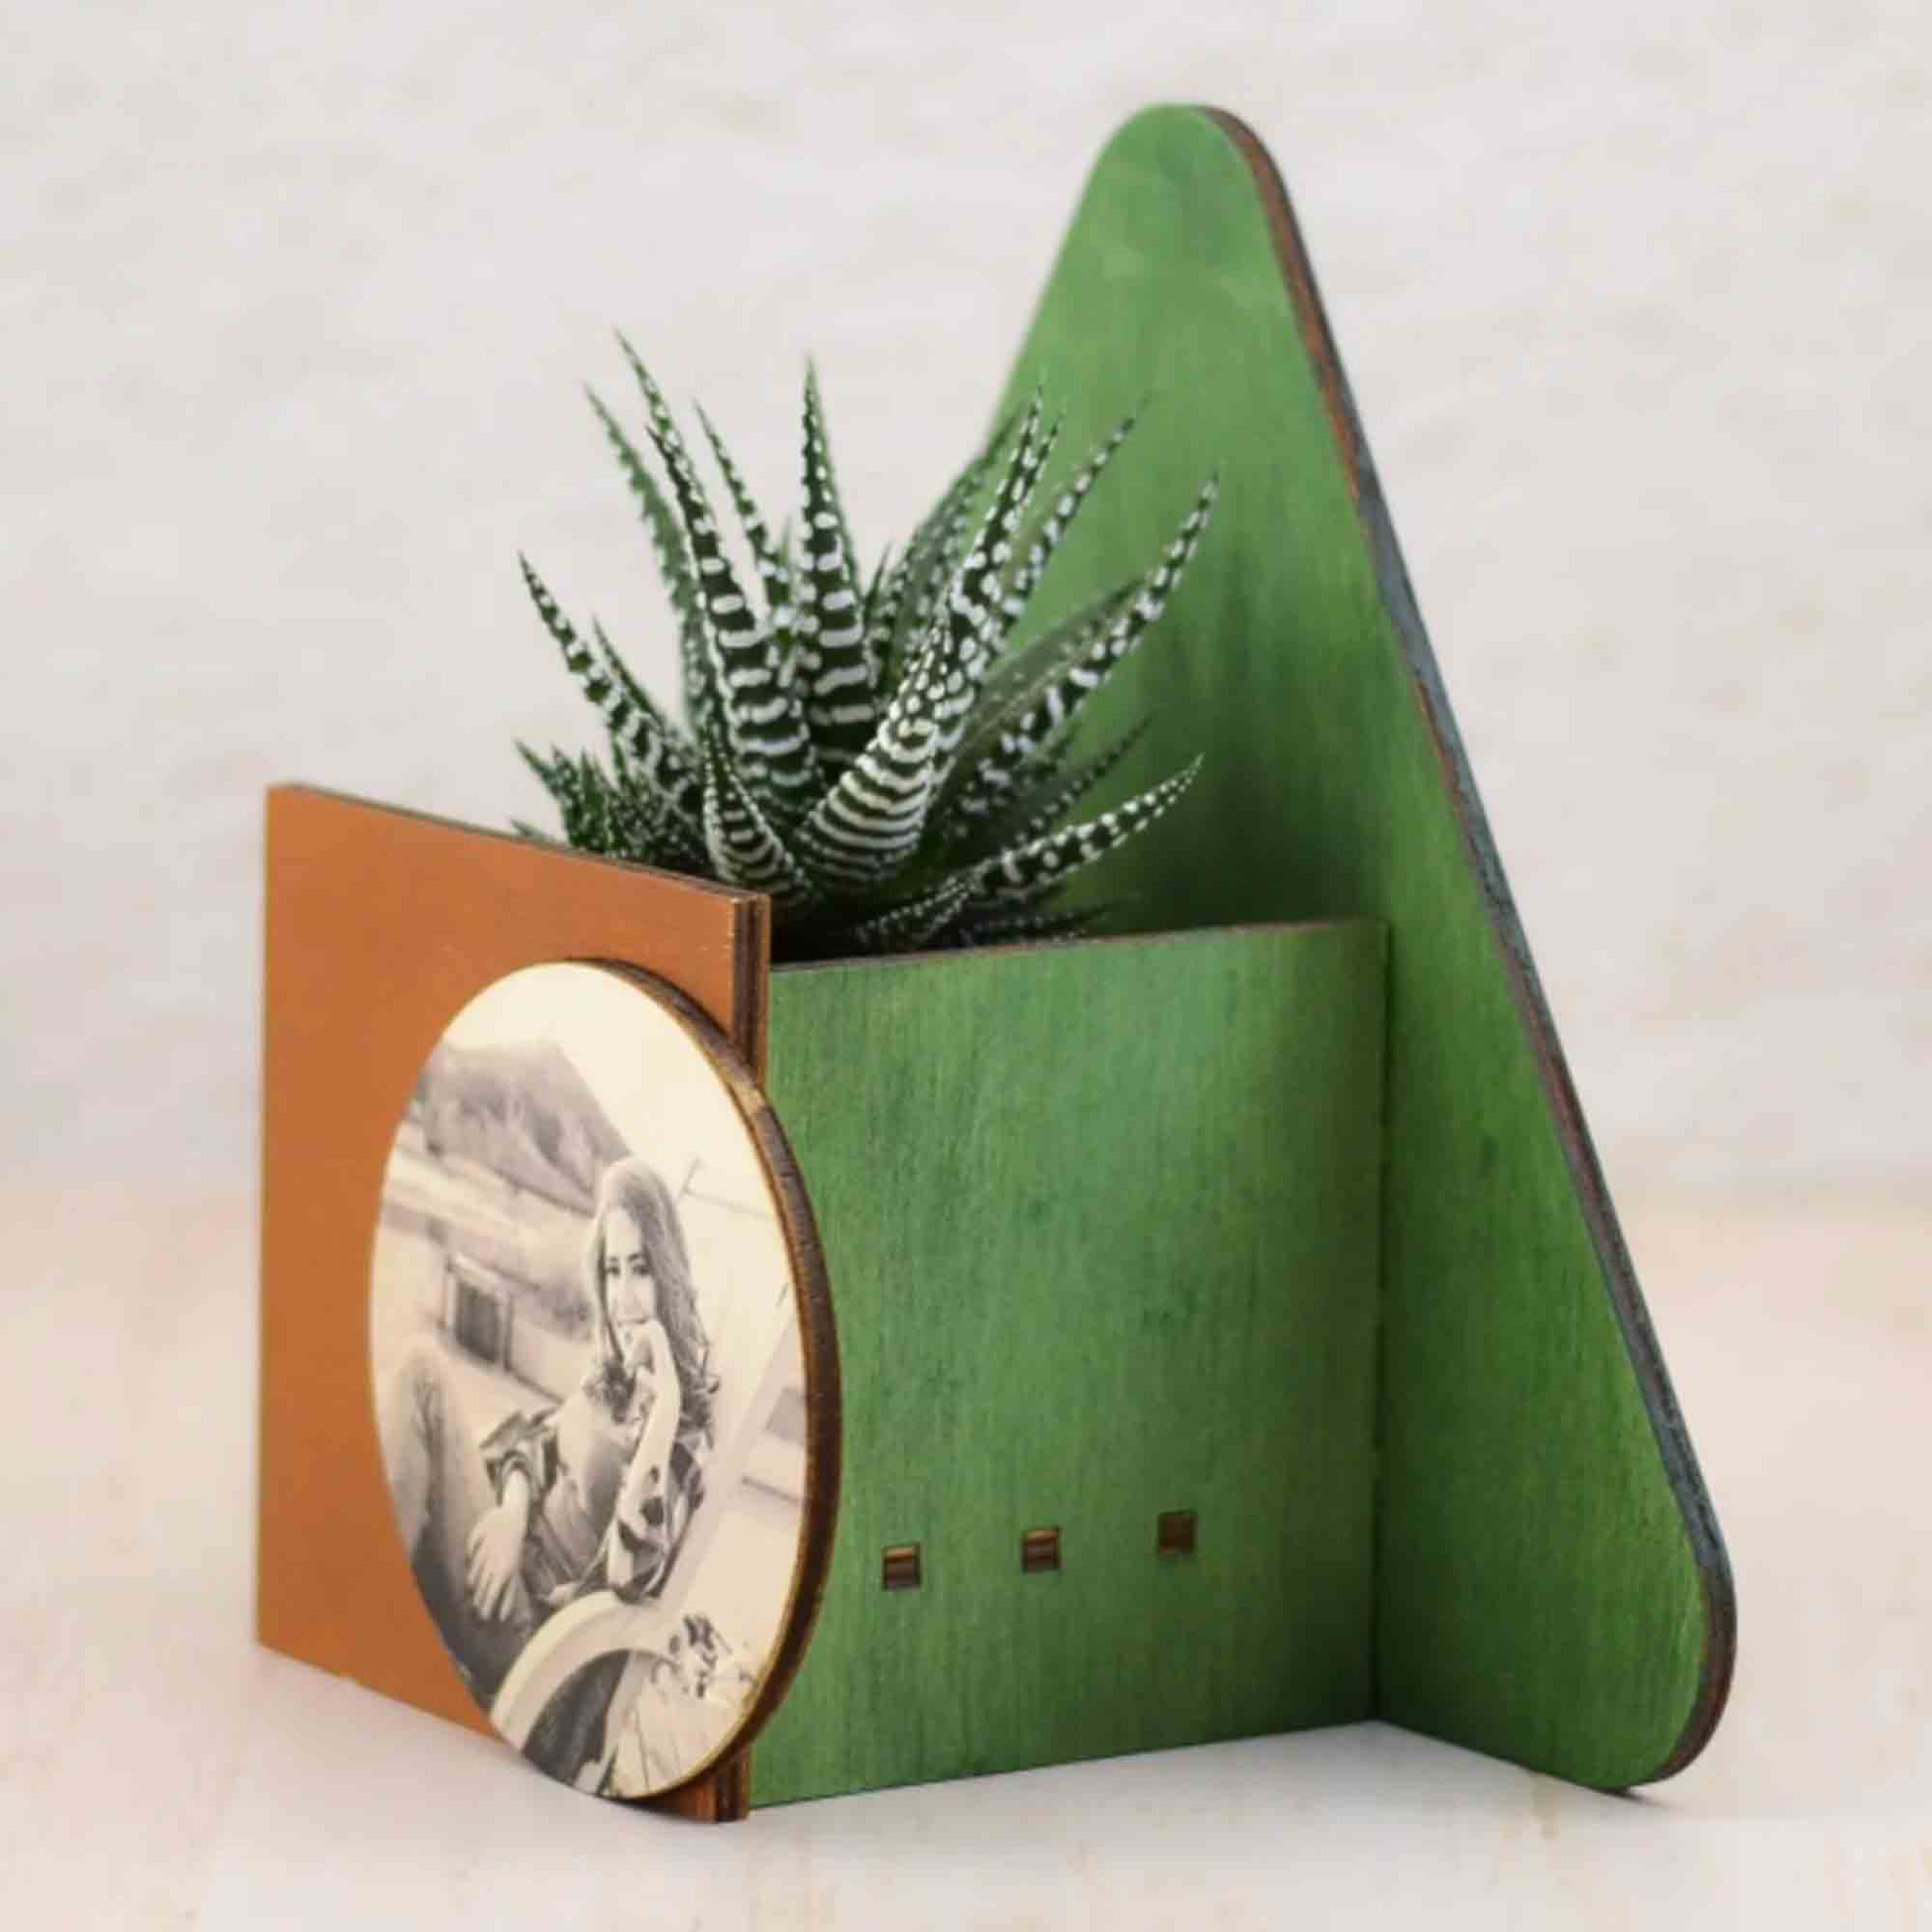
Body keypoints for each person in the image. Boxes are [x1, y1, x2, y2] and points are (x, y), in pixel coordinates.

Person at [378, 1154, 719, 1783]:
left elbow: (629, 1576)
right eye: (613, 1269)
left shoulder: (686, 1438)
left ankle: (361, 1606)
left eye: (641, 1269)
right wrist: (511, 1514)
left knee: (423, 1375)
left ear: (668, 1275)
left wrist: (666, 1409)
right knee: (418, 1376)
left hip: (536, 1640)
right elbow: (539, 1439)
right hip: (499, 1565)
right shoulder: (609, 1378)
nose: (623, 1297)